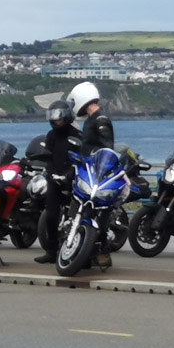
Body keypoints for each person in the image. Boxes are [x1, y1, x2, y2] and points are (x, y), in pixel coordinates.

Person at [65, 81, 116, 266]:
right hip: (86, 169)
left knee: (98, 211)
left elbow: (107, 148)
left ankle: (102, 250)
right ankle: (80, 251)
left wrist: (101, 168)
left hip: (96, 172)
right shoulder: (90, 121)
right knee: (79, 207)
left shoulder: (101, 120)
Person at [35, 100, 83, 264]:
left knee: (76, 217)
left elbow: (81, 159)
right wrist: (51, 173)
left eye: (59, 117)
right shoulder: (51, 136)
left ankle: (77, 251)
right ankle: (51, 251)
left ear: (67, 116)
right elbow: (48, 157)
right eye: (53, 117)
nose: (56, 120)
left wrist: (71, 173)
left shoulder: (77, 136)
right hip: (55, 180)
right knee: (51, 216)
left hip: (73, 181)